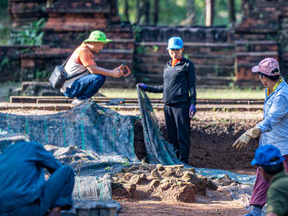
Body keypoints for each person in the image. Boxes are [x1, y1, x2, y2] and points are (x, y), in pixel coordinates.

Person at [232, 57, 288, 216]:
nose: (259, 79)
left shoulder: (282, 95)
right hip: (273, 143)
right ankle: (256, 210)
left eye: (259, 76)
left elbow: (272, 118)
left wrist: (251, 132)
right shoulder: (271, 89)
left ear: (264, 78)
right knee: (263, 173)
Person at [0, 141, 78, 216]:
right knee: (67, 171)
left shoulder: (0, 157)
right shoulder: (33, 148)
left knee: (6, 188)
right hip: (26, 213)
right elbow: (58, 169)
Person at [137, 36, 197, 164]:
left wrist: (193, 103)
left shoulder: (187, 65)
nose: (174, 53)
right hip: (168, 105)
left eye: (177, 50)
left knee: (182, 136)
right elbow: (165, 87)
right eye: (172, 50)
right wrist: (147, 88)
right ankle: (175, 161)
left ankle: (184, 162)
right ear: (168, 50)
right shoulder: (168, 65)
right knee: (172, 136)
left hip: (181, 105)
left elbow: (192, 85)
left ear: (182, 49)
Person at [60, 30, 124, 105]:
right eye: (101, 44)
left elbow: (95, 69)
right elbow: (93, 70)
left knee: (98, 76)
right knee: (99, 78)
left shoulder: (84, 50)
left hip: (70, 87)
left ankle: (83, 98)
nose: (102, 48)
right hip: (70, 88)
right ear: (93, 42)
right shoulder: (83, 51)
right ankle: (81, 99)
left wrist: (113, 71)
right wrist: (112, 73)